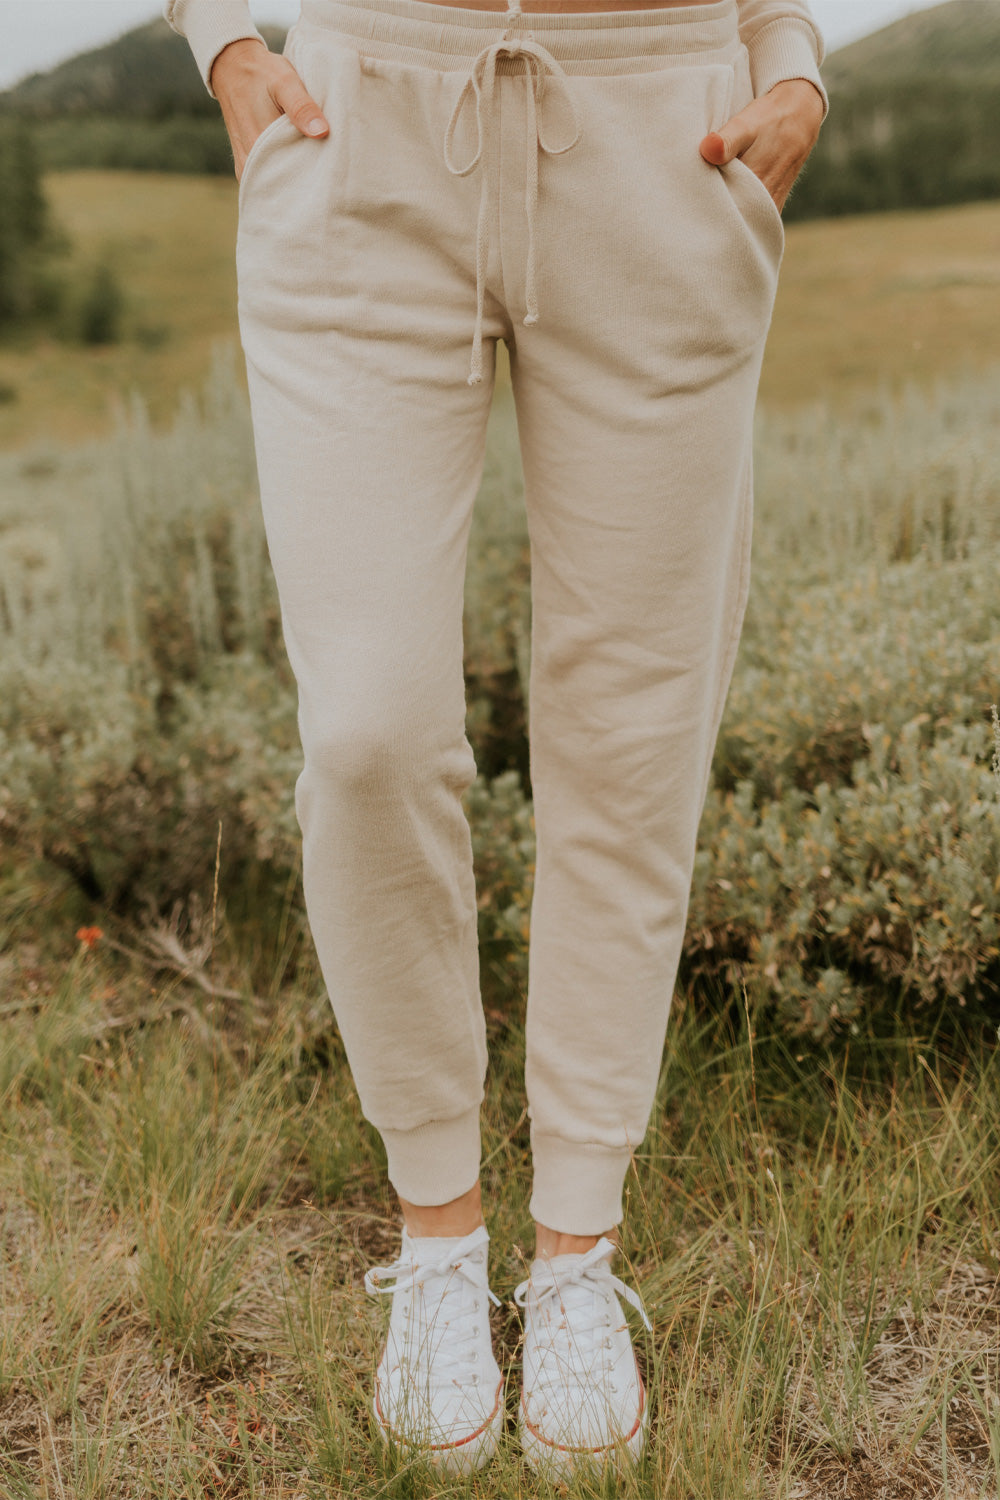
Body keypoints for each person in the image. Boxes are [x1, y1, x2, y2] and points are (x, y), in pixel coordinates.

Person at [166, 0, 826, 1476]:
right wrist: (221, 37)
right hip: (362, 134)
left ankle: (575, 1254)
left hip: (666, 139)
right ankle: (438, 1237)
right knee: (365, 733)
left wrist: (794, 67)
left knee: (633, 729)